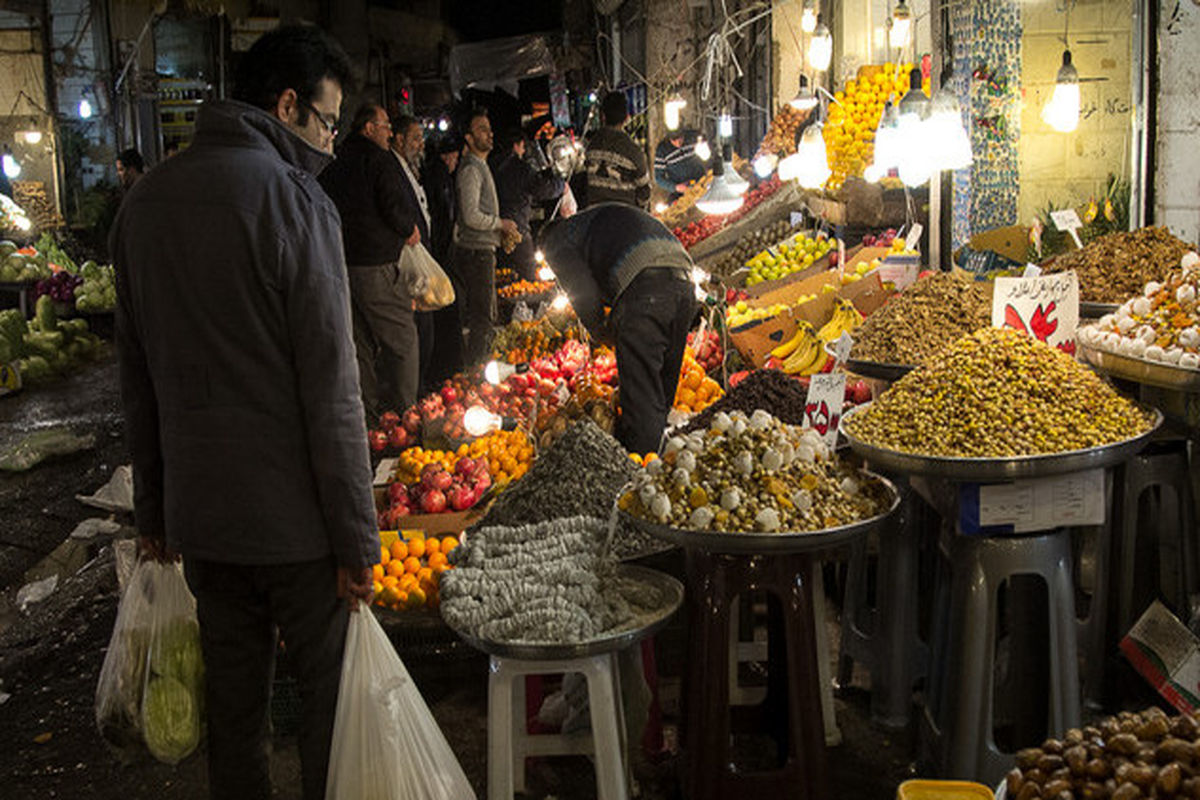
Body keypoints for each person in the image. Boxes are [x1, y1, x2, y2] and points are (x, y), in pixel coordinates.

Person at [110, 25, 376, 800]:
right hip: (296, 529)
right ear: (287, 104)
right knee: (326, 710)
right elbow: (333, 390)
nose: (329, 142)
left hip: (205, 522)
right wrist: (357, 537)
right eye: (327, 123)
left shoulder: (144, 205)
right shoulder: (295, 203)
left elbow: (139, 382)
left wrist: (153, 513)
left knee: (234, 715)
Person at [538, 203, 696, 453]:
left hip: (646, 291)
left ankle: (641, 475)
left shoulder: (556, 242)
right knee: (662, 390)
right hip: (685, 285)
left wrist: (602, 332)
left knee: (641, 401)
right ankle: (666, 463)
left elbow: (583, 293)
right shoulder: (589, 223)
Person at [319, 102, 422, 419]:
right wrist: (408, 228)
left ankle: (369, 416)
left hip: (341, 264)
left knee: (359, 343)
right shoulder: (378, 160)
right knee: (403, 340)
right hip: (375, 263)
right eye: (385, 126)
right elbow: (393, 205)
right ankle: (406, 415)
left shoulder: (333, 162)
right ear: (368, 128)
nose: (390, 133)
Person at [452, 109, 518, 364]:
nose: (489, 134)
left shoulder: (481, 166)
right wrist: (499, 224)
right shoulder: (471, 169)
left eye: (489, 129)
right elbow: (470, 215)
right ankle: (477, 376)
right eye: (481, 129)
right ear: (468, 138)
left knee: (485, 316)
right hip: (476, 253)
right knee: (482, 319)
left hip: (483, 251)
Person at [390, 115, 436, 394]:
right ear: (399, 139)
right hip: (408, 263)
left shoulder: (409, 169)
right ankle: (414, 394)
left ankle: (421, 388)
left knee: (425, 328)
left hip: (422, 255)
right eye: (416, 138)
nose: (421, 144)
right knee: (417, 331)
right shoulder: (393, 170)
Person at [493, 128, 564, 280]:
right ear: (516, 145)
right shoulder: (520, 168)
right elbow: (543, 189)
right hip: (517, 231)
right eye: (523, 146)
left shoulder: (492, 165)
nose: (524, 151)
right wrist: (561, 185)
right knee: (527, 278)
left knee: (502, 278)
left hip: (495, 231)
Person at [423, 134, 464, 382]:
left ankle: (444, 368)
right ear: (448, 156)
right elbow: (443, 219)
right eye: (456, 157)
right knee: (448, 310)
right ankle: (447, 370)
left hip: (438, 253)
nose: (456, 162)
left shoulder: (433, 174)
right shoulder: (440, 178)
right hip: (439, 255)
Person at [583, 91, 651, 209]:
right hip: (624, 218)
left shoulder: (591, 147)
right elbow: (644, 193)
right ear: (626, 117)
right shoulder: (633, 151)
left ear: (603, 116)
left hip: (595, 217)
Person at [653, 128, 707, 203]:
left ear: (683, 134)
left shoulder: (694, 137)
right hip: (680, 192)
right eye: (674, 141)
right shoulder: (662, 150)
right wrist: (675, 187)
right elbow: (659, 178)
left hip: (702, 184)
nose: (678, 143)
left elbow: (708, 156)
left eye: (680, 139)